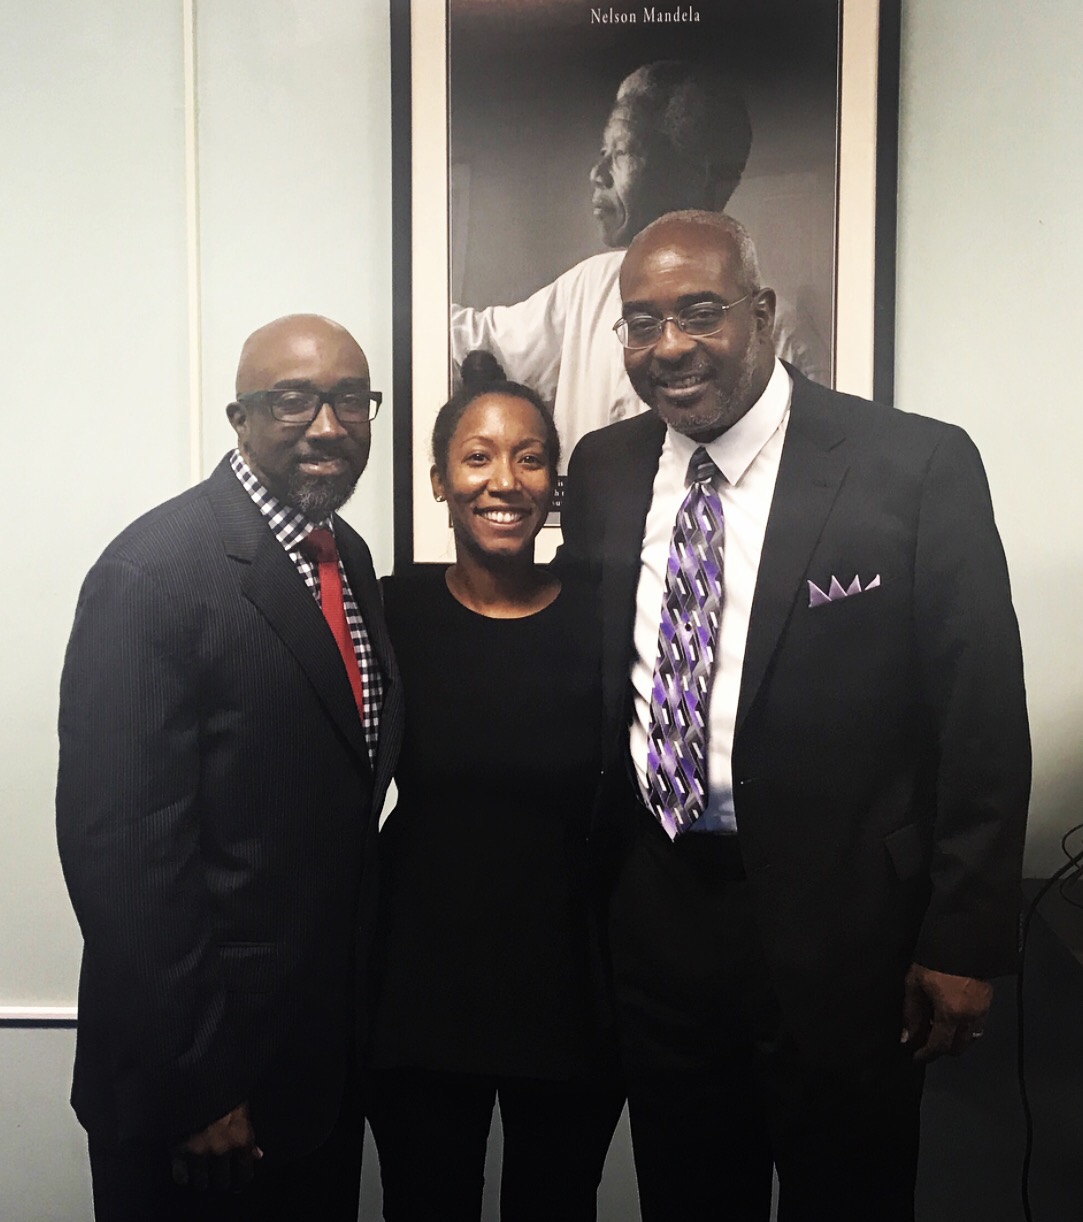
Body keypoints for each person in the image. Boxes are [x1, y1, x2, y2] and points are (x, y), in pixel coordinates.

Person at [557, 211, 1030, 1221]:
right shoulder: (601, 470)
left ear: (763, 313)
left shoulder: (912, 466)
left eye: (700, 311)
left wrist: (964, 938)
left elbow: (980, 718)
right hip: (661, 927)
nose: (669, 346)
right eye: (641, 322)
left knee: (849, 1196)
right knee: (688, 1196)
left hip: (853, 936)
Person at [56, 314, 403, 1222]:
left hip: (314, 1075)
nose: (328, 425)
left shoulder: (346, 556)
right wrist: (198, 1083)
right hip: (201, 1097)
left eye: (351, 400)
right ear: (239, 418)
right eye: (292, 401)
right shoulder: (152, 574)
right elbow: (123, 858)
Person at [365, 352, 623, 1221]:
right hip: (418, 986)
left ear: (554, 484)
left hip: (572, 987)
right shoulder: (391, 611)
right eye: (476, 457)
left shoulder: (605, 613)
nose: (504, 481)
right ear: (440, 481)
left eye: (529, 457)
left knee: (558, 1204)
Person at [451, 60, 829, 478]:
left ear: (694, 174)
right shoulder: (589, 288)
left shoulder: (781, 333)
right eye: (602, 154)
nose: (597, 174)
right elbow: (465, 341)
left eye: (622, 153)